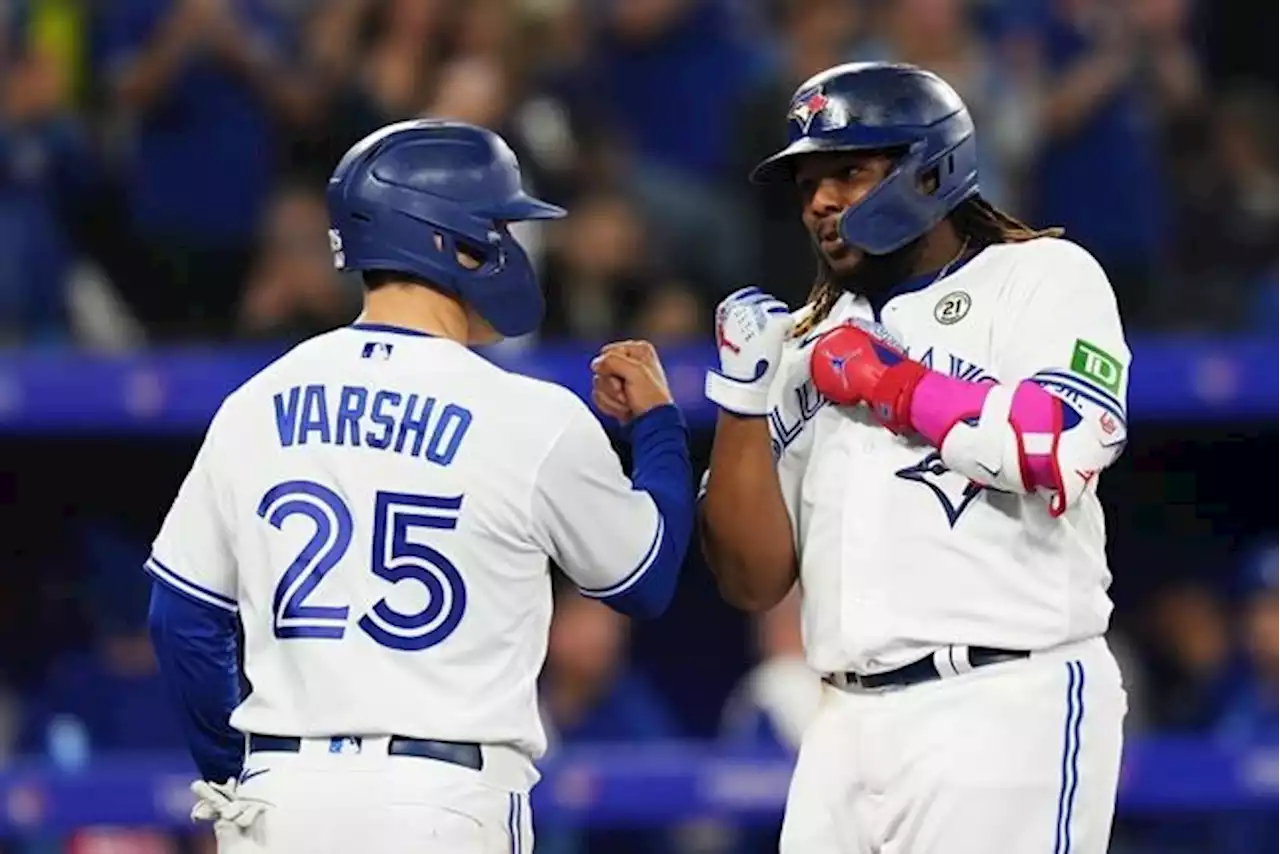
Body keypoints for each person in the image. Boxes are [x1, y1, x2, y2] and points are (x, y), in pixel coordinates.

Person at [144, 119, 694, 853]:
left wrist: (237, 773)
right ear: (449, 240)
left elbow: (180, 618)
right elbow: (646, 576)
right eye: (499, 225)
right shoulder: (527, 414)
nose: (513, 246)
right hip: (442, 798)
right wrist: (658, 423)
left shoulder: (255, 403)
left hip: (284, 794)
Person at [697, 62, 1131, 854]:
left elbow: (1061, 443)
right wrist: (741, 403)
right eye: (807, 183)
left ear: (932, 170)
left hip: (1006, 699)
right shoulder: (803, 345)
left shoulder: (1040, 276)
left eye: (849, 172)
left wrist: (894, 384)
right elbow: (752, 580)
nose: (821, 201)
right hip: (842, 723)